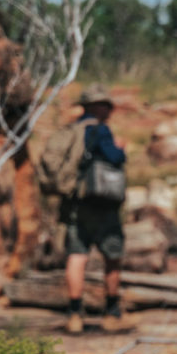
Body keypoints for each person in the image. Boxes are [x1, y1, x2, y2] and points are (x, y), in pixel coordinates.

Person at [62, 85, 128, 335]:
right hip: (102, 202)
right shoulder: (100, 131)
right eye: (106, 105)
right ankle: (111, 311)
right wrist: (120, 149)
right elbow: (114, 158)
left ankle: (74, 312)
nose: (109, 110)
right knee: (112, 253)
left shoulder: (71, 130)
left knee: (77, 254)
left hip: (75, 201)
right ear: (97, 106)